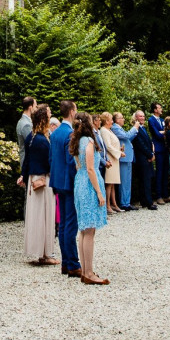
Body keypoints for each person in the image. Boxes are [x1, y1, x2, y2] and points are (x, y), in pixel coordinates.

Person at [71, 114, 110, 285]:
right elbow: (90, 169)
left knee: (84, 229)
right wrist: (100, 193)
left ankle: (86, 270)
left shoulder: (76, 141)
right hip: (88, 185)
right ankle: (88, 272)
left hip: (79, 182)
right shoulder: (88, 141)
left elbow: (78, 165)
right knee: (89, 230)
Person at [18, 105, 56, 264]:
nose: (51, 114)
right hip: (42, 181)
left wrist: (24, 176)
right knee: (45, 216)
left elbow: (26, 160)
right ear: (44, 119)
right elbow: (49, 162)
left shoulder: (32, 138)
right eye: (48, 113)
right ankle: (45, 254)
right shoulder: (42, 140)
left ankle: (40, 251)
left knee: (36, 216)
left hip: (33, 181)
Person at [48, 101, 80, 276]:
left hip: (58, 182)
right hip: (68, 183)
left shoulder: (55, 133)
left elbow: (51, 159)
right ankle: (73, 263)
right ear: (72, 112)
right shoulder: (69, 134)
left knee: (62, 225)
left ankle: (66, 263)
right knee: (70, 224)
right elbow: (70, 162)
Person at [130, 109, 158, 210]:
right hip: (142, 158)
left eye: (143, 116)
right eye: (140, 116)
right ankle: (148, 202)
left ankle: (145, 201)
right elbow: (140, 144)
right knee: (144, 180)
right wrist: (150, 154)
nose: (142, 118)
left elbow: (148, 142)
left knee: (147, 179)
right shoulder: (136, 129)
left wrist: (152, 153)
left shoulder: (143, 128)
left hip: (148, 156)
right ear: (136, 118)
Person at [98, 112, 124, 214]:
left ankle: (114, 204)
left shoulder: (109, 130)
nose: (112, 121)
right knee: (109, 183)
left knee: (113, 183)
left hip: (114, 158)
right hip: (111, 158)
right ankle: (108, 206)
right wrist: (119, 153)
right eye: (111, 120)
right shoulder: (104, 131)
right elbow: (108, 146)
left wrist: (119, 149)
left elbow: (112, 144)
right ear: (106, 121)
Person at [110, 113, 134, 210]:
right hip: (123, 158)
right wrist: (134, 128)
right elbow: (126, 136)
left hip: (127, 157)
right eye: (121, 118)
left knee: (127, 181)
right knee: (124, 181)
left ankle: (127, 201)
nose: (123, 119)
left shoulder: (119, 128)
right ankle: (124, 203)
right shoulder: (115, 128)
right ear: (116, 120)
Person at [148, 104, 170, 201]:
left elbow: (168, 131)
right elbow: (156, 134)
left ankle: (166, 194)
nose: (161, 109)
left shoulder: (162, 120)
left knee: (166, 172)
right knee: (159, 172)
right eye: (160, 108)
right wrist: (164, 132)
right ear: (155, 109)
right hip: (158, 148)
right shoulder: (151, 120)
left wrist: (163, 132)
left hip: (165, 148)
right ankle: (159, 195)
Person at [16, 95, 38, 163]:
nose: (36, 109)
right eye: (35, 107)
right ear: (30, 107)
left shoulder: (23, 121)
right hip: (28, 162)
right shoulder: (26, 124)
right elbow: (32, 144)